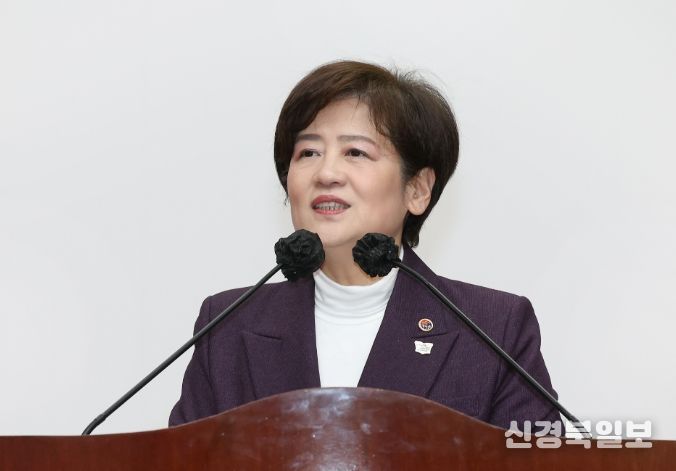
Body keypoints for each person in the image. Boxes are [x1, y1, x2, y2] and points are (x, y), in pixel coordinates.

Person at [169, 60, 561, 430]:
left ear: (417, 189)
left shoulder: (492, 329)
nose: (326, 173)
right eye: (308, 152)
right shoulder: (228, 325)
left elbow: (542, 460)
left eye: (355, 152)